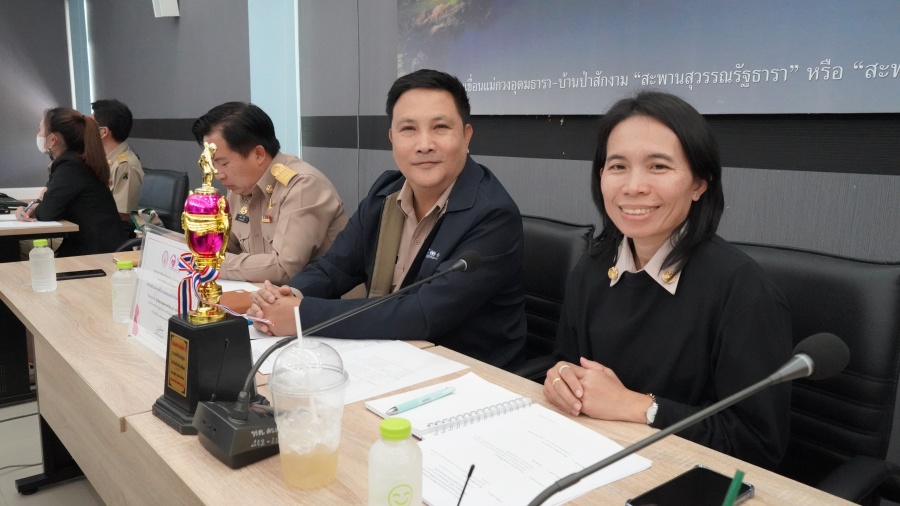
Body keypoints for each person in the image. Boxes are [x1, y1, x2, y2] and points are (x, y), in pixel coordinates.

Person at [543, 91, 792, 468]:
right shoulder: (592, 268)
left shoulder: (743, 292)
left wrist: (638, 407)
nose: (633, 186)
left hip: (683, 478)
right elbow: (567, 360)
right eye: (617, 166)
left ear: (699, 183)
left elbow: (756, 445)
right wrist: (561, 377)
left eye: (658, 166)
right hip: (591, 458)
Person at [248, 69, 526, 370]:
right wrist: (286, 296)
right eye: (409, 129)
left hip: (470, 373)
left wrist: (302, 315)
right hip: (390, 356)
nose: (424, 144)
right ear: (392, 138)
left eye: (440, 127)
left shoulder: (493, 216)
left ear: (466, 136)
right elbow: (334, 268)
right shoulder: (386, 193)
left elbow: (423, 313)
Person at [191, 102, 348, 284]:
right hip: (265, 295)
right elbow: (228, 245)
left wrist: (212, 264)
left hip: (320, 299)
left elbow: (284, 269)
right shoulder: (239, 187)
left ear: (258, 154)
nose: (218, 174)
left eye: (224, 163)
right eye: (213, 164)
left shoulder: (302, 185)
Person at [16, 108, 127, 256]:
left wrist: (34, 209)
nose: (38, 134)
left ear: (53, 139)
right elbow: (51, 202)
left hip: (97, 252)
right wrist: (34, 207)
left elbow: (47, 213)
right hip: (96, 244)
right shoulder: (77, 161)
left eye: (40, 129)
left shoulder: (70, 166)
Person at [92, 99, 144, 223]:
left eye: (90, 126)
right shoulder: (104, 160)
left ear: (103, 132)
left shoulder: (125, 166)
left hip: (116, 230)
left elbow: (124, 215)